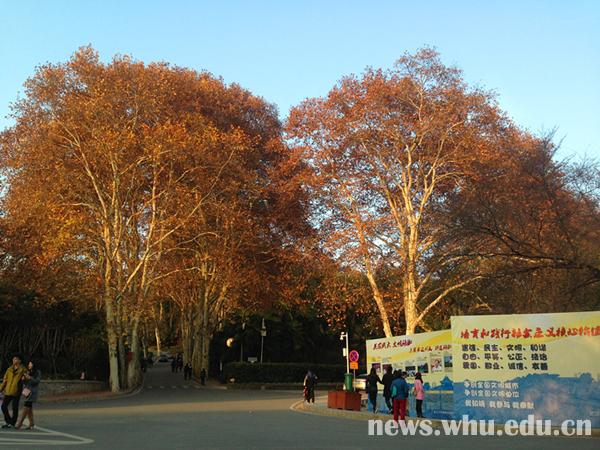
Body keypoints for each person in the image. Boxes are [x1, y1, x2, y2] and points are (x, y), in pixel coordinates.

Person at [0, 356, 26, 428]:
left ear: (20, 361)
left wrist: (25, 378)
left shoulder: (23, 369)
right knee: (3, 406)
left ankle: (12, 423)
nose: (14, 360)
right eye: (13, 359)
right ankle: (8, 421)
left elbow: (27, 378)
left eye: (16, 359)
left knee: (15, 407)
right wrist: (0, 389)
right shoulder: (9, 369)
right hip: (8, 390)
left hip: (17, 391)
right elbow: (5, 380)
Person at [15, 361, 41, 430]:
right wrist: (23, 379)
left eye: (30, 364)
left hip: (33, 392)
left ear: (34, 364)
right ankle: (31, 424)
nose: (29, 365)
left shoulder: (38, 372)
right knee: (29, 408)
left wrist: (30, 378)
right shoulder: (28, 371)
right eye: (29, 364)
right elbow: (25, 382)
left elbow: (37, 381)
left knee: (26, 406)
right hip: (27, 391)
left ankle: (19, 424)